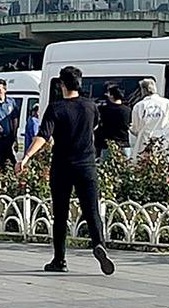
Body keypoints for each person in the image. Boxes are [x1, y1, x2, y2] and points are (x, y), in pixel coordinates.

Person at [16, 66, 114, 275]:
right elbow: (96, 127)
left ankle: (59, 260)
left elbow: (43, 135)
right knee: (91, 210)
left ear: (61, 84)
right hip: (87, 165)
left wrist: (26, 157)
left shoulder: (56, 108)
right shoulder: (91, 106)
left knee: (60, 213)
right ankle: (99, 244)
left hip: (62, 166)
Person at [130, 78, 169, 160]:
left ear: (144, 90)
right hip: (163, 141)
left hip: (145, 143)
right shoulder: (166, 103)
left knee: (144, 166)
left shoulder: (139, 106)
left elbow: (135, 128)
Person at [95, 84, 131, 161]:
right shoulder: (127, 110)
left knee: (106, 169)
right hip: (124, 144)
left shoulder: (104, 110)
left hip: (108, 145)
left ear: (112, 95)